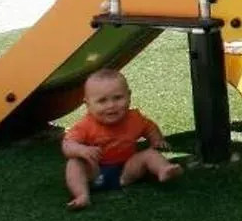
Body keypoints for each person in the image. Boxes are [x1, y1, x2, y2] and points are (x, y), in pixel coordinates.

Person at [61, 67, 179, 209]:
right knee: (74, 164)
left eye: (118, 98)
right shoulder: (85, 125)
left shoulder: (135, 118)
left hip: (127, 170)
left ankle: (163, 169)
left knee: (150, 154)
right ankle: (82, 195)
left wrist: (157, 140)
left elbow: (150, 127)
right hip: (95, 171)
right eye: (102, 101)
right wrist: (81, 150)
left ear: (128, 96)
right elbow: (67, 144)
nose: (111, 105)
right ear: (88, 105)